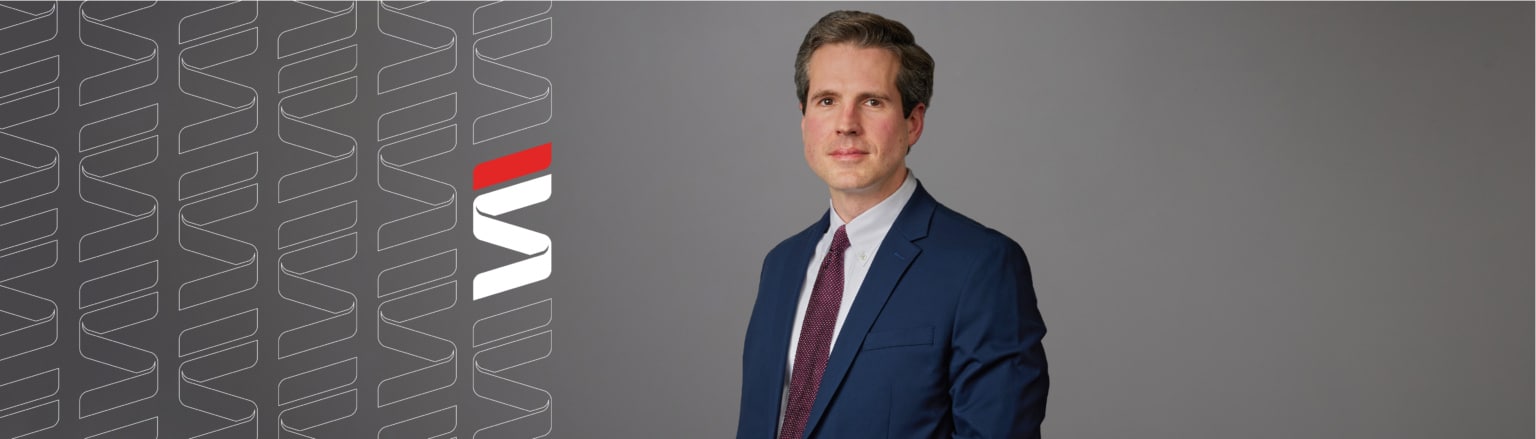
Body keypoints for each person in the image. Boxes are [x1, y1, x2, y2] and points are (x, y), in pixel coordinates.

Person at [737, 10, 1050, 439]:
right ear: (804, 119)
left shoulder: (981, 267)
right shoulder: (781, 265)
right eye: (827, 100)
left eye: (872, 101)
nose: (846, 124)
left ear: (913, 123)